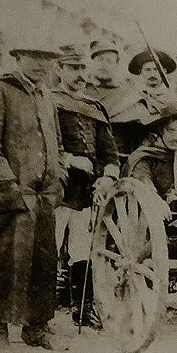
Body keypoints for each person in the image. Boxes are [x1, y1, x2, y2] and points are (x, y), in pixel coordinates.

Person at [0, 41, 65, 353]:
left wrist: (59, 175)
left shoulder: (46, 95)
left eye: (48, 58)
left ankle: (35, 329)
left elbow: (57, 144)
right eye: (35, 56)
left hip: (43, 196)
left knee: (42, 261)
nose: (41, 64)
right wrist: (9, 181)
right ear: (19, 58)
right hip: (5, 193)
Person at [52, 44, 119, 330]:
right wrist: (69, 159)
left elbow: (110, 154)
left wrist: (108, 176)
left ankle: (83, 310)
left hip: (85, 193)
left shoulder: (95, 107)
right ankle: (42, 314)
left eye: (81, 68)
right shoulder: (49, 102)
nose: (79, 74)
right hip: (56, 189)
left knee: (82, 250)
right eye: (72, 68)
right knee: (50, 248)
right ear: (60, 70)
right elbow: (41, 146)